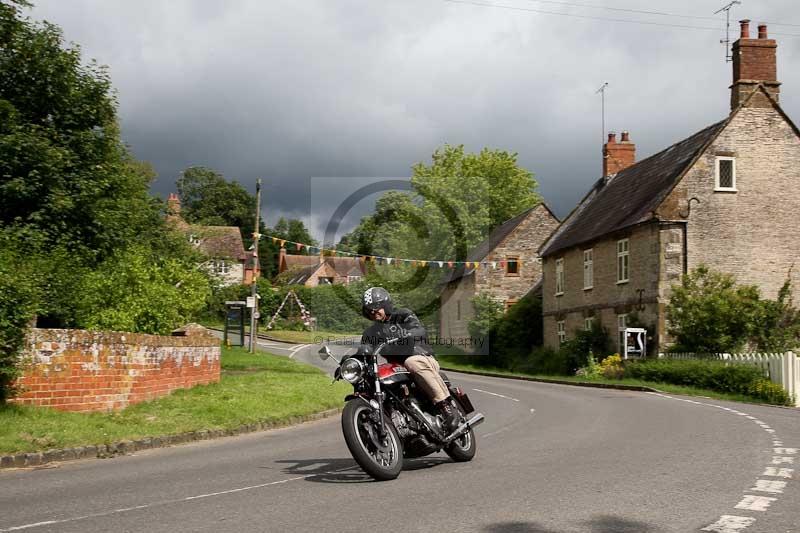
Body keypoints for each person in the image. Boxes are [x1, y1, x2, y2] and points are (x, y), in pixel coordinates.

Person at [360, 286, 460, 433]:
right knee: (375, 379)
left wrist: (407, 333)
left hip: (422, 359)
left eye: (376, 308)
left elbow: (420, 330)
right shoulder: (371, 332)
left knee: (411, 362)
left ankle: (445, 406)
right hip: (398, 369)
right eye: (369, 311)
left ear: (385, 305)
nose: (373, 313)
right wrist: (351, 362)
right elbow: (364, 350)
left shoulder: (403, 315)